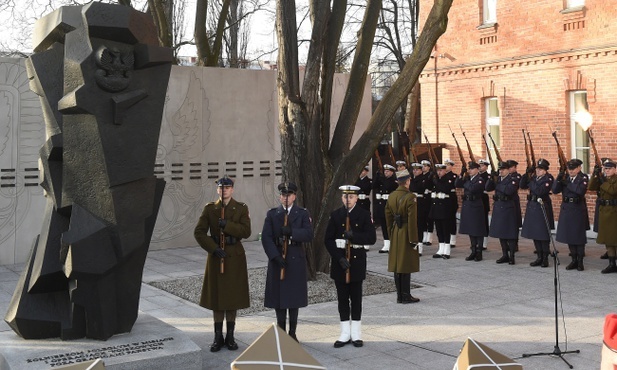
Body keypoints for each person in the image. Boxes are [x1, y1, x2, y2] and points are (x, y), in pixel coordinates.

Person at [194, 176, 252, 352]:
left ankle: (231, 336)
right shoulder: (210, 209)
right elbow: (199, 232)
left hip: (234, 256)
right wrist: (213, 248)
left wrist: (227, 225)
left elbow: (246, 231)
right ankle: (218, 336)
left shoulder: (241, 208)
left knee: (232, 297)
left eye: (227, 187)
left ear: (232, 190)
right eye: (221, 187)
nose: (224, 190)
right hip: (217, 255)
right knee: (217, 297)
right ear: (217, 190)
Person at [325, 185, 376, 348]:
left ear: (356, 198)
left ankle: (356, 333)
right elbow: (328, 240)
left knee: (356, 298)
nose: (348, 200)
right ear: (342, 198)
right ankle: (344, 332)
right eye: (345, 197)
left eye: (351, 197)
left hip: (356, 260)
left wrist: (355, 236)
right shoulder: (335, 215)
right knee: (342, 299)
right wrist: (339, 258)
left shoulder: (364, 215)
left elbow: (371, 238)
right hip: (340, 262)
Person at [261, 182, 314, 341]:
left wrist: (292, 232)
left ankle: (292, 332)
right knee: (279, 297)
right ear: (280, 196)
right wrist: (275, 256)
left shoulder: (302, 213)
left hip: (295, 257)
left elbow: (308, 234)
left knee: (293, 297)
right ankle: (281, 331)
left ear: (294, 196)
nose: (286, 198)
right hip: (278, 258)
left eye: (289, 195)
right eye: (283, 195)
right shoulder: (272, 214)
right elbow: (266, 237)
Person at [385, 169, 420, 303]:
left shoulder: (391, 196)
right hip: (406, 232)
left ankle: (400, 295)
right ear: (407, 181)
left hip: (395, 231)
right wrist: (413, 239)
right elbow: (412, 221)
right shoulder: (411, 197)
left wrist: (391, 233)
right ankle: (405, 295)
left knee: (397, 264)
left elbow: (388, 217)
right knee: (405, 264)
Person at [552, 158, 589, 271]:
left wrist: (568, 183)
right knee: (569, 235)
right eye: (569, 169)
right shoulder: (565, 178)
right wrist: (558, 179)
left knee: (578, 236)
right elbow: (554, 190)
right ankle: (573, 259)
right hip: (567, 208)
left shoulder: (583, 178)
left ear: (579, 168)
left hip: (577, 209)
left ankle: (580, 261)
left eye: (573, 168)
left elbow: (580, 191)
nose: (571, 171)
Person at [520, 159, 554, 267]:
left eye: (540, 169)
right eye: (537, 169)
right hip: (533, 206)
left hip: (542, 207)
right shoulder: (534, 178)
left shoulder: (548, 179)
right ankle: (539, 257)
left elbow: (540, 191)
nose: (538, 171)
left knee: (543, 234)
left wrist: (530, 181)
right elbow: (522, 185)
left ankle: (545, 258)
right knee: (535, 233)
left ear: (545, 170)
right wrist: (526, 174)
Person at [485, 161, 520, 265]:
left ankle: (512, 255)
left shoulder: (513, 179)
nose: (501, 171)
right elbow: (487, 188)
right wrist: (491, 178)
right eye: (500, 170)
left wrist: (497, 183)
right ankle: (505, 254)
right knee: (501, 232)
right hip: (499, 207)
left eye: (503, 169)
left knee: (510, 233)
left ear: (508, 170)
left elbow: (508, 191)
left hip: (509, 208)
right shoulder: (498, 179)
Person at [589, 159, 617, 274]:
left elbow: (612, 191)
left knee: (615, 239)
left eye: (609, 168)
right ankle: (611, 264)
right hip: (604, 212)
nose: (607, 170)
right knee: (608, 240)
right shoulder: (603, 179)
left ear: (615, 169)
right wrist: (595, 174)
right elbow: (591, 187)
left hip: (614, 212)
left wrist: (602, 181)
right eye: (605, 168)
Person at [455, 161, 488, 261]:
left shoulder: (480, 180)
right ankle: (473, 251)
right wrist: (461, 174)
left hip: (476, 206)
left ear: (477, 169)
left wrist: (466, 182)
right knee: (470, 229)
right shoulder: (468, 179)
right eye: (469, 169)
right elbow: (457, 184)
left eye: (472, 169)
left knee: (478, 230)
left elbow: (473, 188)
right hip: (468, 205)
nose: (470, 171)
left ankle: (479, 252)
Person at [429, 164, 455, 259]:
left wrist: (436, 182)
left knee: (445, 229)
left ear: (445, 170)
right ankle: (441, 249)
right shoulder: (436, 179)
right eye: (437, 170)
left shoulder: (449, 179)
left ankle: (447, 250)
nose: (439, 172)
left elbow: (445, 189)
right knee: (439, 230)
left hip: (444, 208)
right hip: (436, 208)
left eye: (441, 170)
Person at [374, 164, 398, 253]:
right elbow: (374, 186)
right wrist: (377, 177)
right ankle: (386, 244)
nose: (386, 173)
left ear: (392, 172)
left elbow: (388, 186)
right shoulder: (382, 179)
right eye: (385, 171)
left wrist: (382, 179)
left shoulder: (394, 181)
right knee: (384, 225)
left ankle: (393, 243)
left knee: (390, 225)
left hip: (390, 205)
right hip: (382, 204)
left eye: (388, 171)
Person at [409, 162, 430, 256]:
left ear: (421, 170)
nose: (414, 171)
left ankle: (420, 247)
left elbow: (416, 188)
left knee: (419, 226)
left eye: (417, 169)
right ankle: (413, 244)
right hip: (411, 203)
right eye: (413, 169)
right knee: (412, 225)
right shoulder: (412, 179)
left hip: (420, 204)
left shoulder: (424, 179)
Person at [443, 159, 460, 248]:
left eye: (448, 165)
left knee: (452, 220)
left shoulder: (454, 176)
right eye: (445, 164)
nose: (446, 166)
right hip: (444, 199)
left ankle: (452, 239)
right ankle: (446, 238)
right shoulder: (442, 175)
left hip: (451, 198)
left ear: (452, 166)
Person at [420, 160, 435, 246]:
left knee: (429, 219)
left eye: (425, 166)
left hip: (429, 199)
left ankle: (429, 237)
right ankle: (424, 236)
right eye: (422, 166)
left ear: (429, 167)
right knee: (423, 218)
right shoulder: (421, 176)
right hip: (422, 199)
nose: (423, 168)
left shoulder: (431, 175)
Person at [478, 159, 491, 249]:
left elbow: (487, 188)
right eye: (479, 165)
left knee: (484, 222)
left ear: (486, 167)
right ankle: (478, 241)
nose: (480, 167)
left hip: (483, 201)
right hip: (476, 201)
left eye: (482, 165)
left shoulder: (488, 177)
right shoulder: (476, 176)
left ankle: (484, 243)